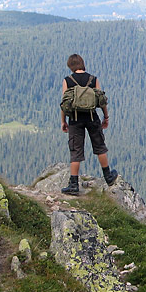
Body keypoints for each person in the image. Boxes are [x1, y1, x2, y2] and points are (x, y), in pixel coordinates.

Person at [60, 54, 118, 193]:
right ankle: (108, 176)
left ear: (70, 66)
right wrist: (106, 116)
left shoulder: (68, 80)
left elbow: (64, 104)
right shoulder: (93, 79)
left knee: (76, 151)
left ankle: (74, 185)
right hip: (92, 117)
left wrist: (63, 121)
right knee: (99, 146)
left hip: (75, 119)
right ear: (82, 64)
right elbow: (102, 100)